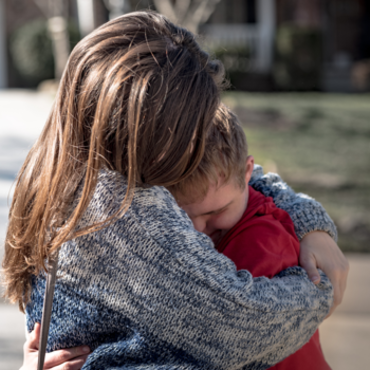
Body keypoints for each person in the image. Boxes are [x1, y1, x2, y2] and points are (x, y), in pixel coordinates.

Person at [2, 11, 348, 370]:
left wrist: (310, 223)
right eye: (193, 132)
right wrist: (319, 285)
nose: (202, 141)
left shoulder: (60, 172)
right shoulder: (124, 213)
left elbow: (242, 174)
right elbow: (244, 327)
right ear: (149, 132)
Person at [169, 104, 331, 369]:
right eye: (184, 215)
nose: (198, 230)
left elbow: (217, 339)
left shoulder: (264, 243)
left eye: (216, 212)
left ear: (248, 173)